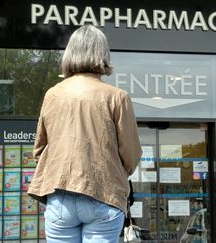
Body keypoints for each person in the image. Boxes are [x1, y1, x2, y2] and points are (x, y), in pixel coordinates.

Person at [27, 25, 142, 243]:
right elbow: (131, 154)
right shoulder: (117, 97)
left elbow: (40, 150)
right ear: (103, 54)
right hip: (104, 193)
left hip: (61, 193)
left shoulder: (52, 94)